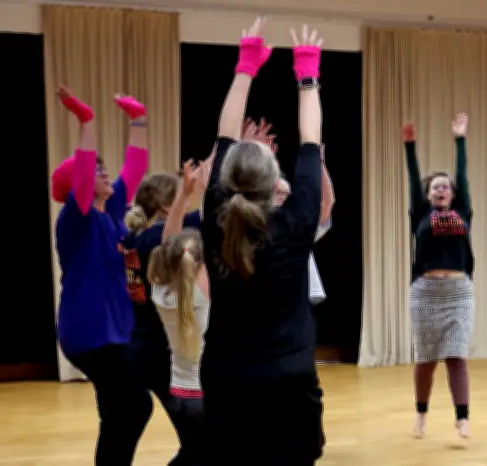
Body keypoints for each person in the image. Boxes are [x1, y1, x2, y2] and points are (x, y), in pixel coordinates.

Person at [198, 19, 326, 465]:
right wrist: (306, 75)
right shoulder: (296, 222)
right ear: (277, 184)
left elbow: (225, 133)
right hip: (288, 376)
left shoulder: (216, 217)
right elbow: (311, 139)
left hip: (226, 375)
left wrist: (246, 66)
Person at [51, 86, 151, 465]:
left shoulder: (111, 215)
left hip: (113, 332)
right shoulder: (75, 219)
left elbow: (136, 167)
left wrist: (138, 120)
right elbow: (83, 166)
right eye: (97, 169)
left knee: (119, 412)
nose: (105, 170)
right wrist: (87, 120)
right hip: (90, 333)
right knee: (135, 405)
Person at [401, 113, 474, 439]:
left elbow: (463, 175)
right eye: (435, 187)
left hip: (458, 292)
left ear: (453, 195)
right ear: (428, 194)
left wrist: (460, 139)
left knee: (456, 356)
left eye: (446, 186)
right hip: (426, 292)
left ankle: (462, 418)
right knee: (427, 358)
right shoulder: (420, 212)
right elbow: (413, 177)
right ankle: (420, 414)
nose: (442, 189)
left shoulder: (462, 212)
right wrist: (409, 146)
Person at [147, 160, 211, 466]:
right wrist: (202, 190)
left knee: (194, 452)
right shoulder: (203, 293)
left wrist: (183, 197)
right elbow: (213, 224)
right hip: (204, 396)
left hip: (179, 394)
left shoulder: (160, 293)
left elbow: (168, 241)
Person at [273, 142, 335, 304]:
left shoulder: (296, 225)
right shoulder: (256, 222)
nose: (283, 197)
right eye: (279, 193)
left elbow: (327, 202)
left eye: (287, 194)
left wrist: (320, 165)